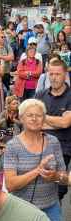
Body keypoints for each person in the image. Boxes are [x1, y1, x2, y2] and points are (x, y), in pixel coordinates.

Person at [4, 99, 67, 221]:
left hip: (51, 208)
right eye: (29, 115)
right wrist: (37, 170)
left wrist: (55, 176)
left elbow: (64, 177)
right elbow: (10, 184)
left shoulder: (53, 142)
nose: (34, 118)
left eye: (39, 115)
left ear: (44, 119)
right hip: (21, 210)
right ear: (21, 118)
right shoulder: (12, 146)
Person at [35, 59, 71, 202]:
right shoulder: (41, 95)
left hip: (62, 148)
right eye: (51, 74)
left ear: (65, 75)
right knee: (38, 187)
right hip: (39, 146)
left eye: (57, 74)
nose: (54, 77)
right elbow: (33, 122)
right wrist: (57, 121)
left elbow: (65, 123)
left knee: (57, 191)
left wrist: (43, 117)